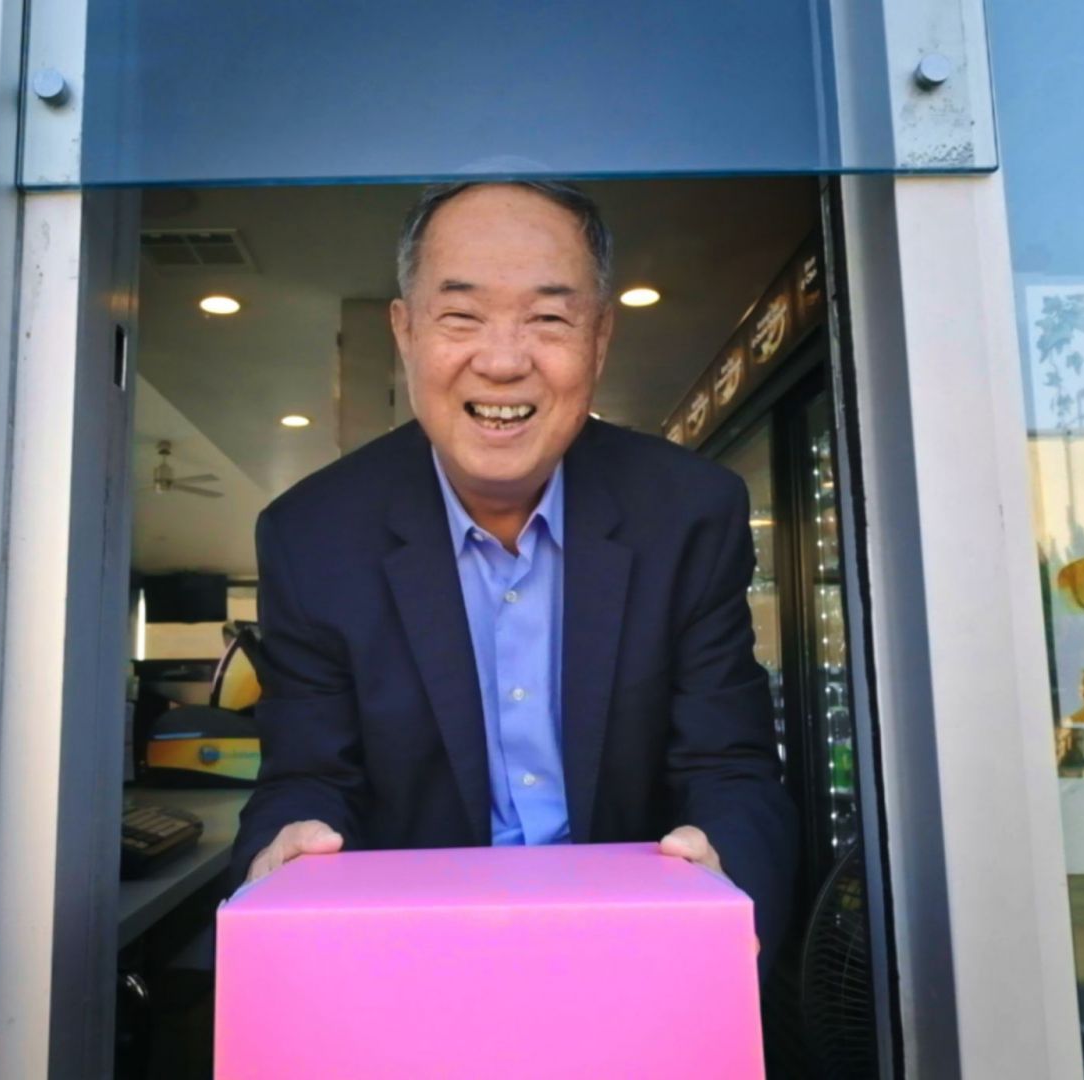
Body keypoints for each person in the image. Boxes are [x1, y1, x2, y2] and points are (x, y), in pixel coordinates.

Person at [228, 180, 796, 961]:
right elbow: (307, 776)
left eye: (549, 319)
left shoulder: (689, 513)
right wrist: (282, 860)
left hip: (635, 946)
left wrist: (725, 877)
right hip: (414, 956)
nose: (501, 362)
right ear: (405, 332)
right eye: (460, 316)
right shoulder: (312, 537)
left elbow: (727, 764)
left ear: (599, 340)